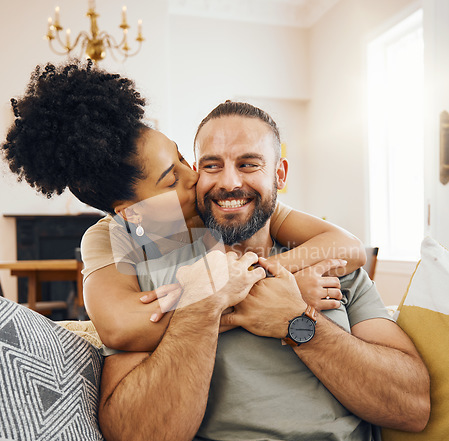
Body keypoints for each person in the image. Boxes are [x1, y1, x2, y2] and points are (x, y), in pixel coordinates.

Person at [97, 101, 430, 441]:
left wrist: (297, 323)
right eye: (212, 165)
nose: (229, 182)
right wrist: (206, 305)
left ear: (280, 174)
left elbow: (412, 408)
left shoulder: (329, 267)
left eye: (250, 164)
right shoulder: (152, 277)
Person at [1, 59, 365, 356]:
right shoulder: (114, 239)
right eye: (170, 179)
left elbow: (347, 247)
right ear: (130, 212)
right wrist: (247, 302)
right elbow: (120, 328)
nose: (194, 175)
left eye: (180, 158)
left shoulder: (220, 207)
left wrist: (259, 276)